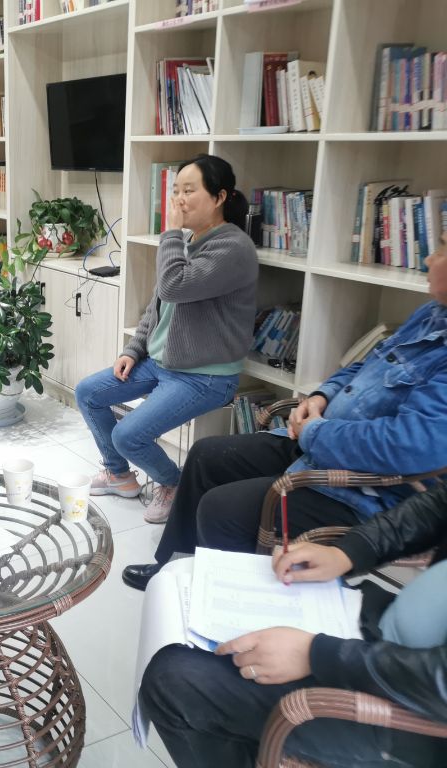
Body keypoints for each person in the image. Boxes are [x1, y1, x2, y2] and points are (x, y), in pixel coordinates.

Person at [122, 233, 447, 591]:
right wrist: (321, 396)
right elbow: (362, 366)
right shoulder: (431, 315)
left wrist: (316, 431)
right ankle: (175, 571)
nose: (429, 259)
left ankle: (225, 605)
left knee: (220, 509)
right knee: (204, 455)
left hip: (364, 485)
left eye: (442, 248)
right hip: (320, 442)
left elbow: (411, 446)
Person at [140, 480, 447, 768]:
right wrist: (349, 551)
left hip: (411, 710)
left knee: (172, 679)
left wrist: (314, 654)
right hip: (378, 624)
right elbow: (438, 503)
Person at [76, 154, 257, 523]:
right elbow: (157, 304)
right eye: (175, 191)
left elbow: (174, 285)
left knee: (128, 435)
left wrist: (170, 234)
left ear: (220, 197)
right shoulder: (187, 241)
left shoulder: (233, 248)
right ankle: (119, 475)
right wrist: (134, 349)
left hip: (205, 376)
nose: (178, 200)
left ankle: (175, 485)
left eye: (189, 191)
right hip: (162, 362)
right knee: (88, 393)